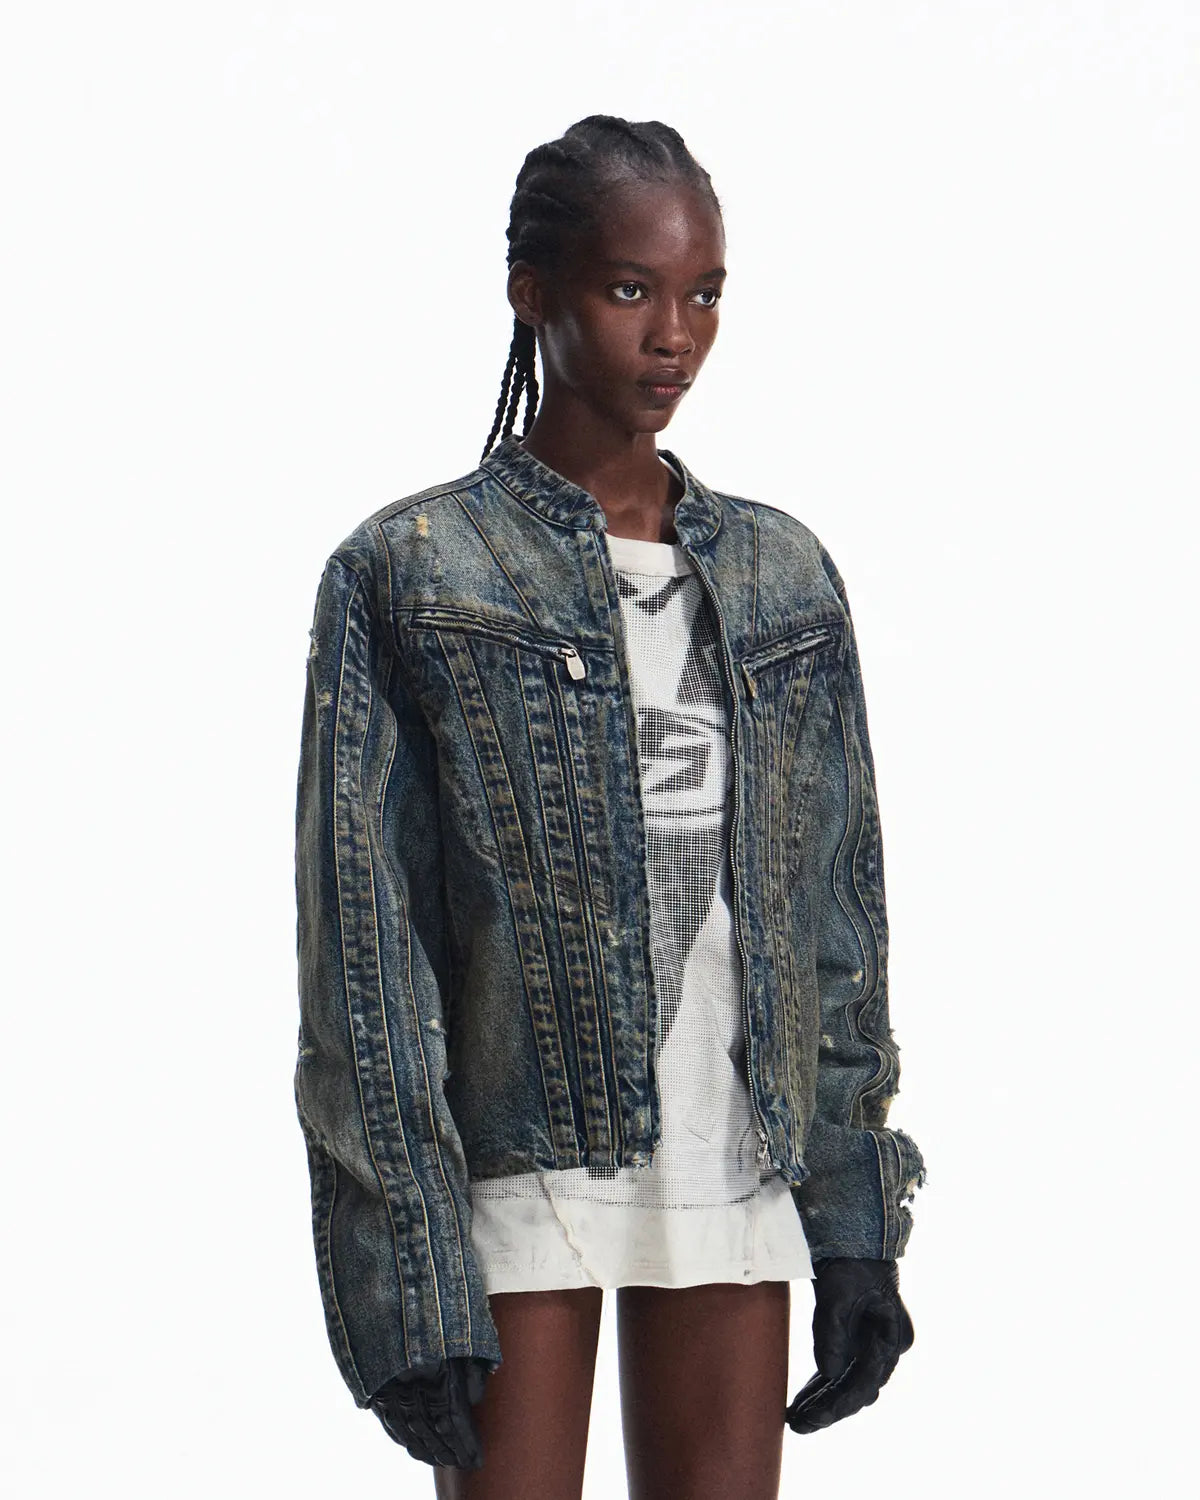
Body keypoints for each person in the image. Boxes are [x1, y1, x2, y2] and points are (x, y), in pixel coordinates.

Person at [293, 115, 927, 1500]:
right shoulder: (414, 570)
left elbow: (839, 926)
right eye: (631, 289)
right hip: (518, 1170)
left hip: (733, 1157)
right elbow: (367, 958)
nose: (674, 336)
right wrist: (409, 1264)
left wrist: (856, 1222)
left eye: (705, 293)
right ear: (534, 292)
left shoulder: (782, 578)